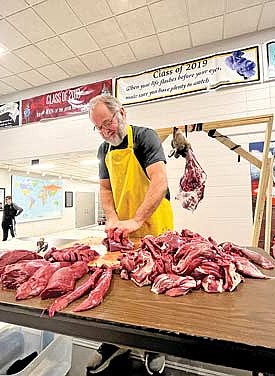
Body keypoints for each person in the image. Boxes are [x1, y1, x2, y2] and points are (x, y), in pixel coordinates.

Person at [87, 94, 174, 375]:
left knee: (152, 288)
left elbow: (159, 182)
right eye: (98, 127)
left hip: (155, 226)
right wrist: (113, 219)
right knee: (117, 289)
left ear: (121, 113)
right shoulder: (104, 150)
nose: (105, 131)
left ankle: (153, 345)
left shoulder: (146, 137)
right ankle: (113, 342)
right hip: (124, 230)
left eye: (107, 123)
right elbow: (105, 189)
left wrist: (137, 219)